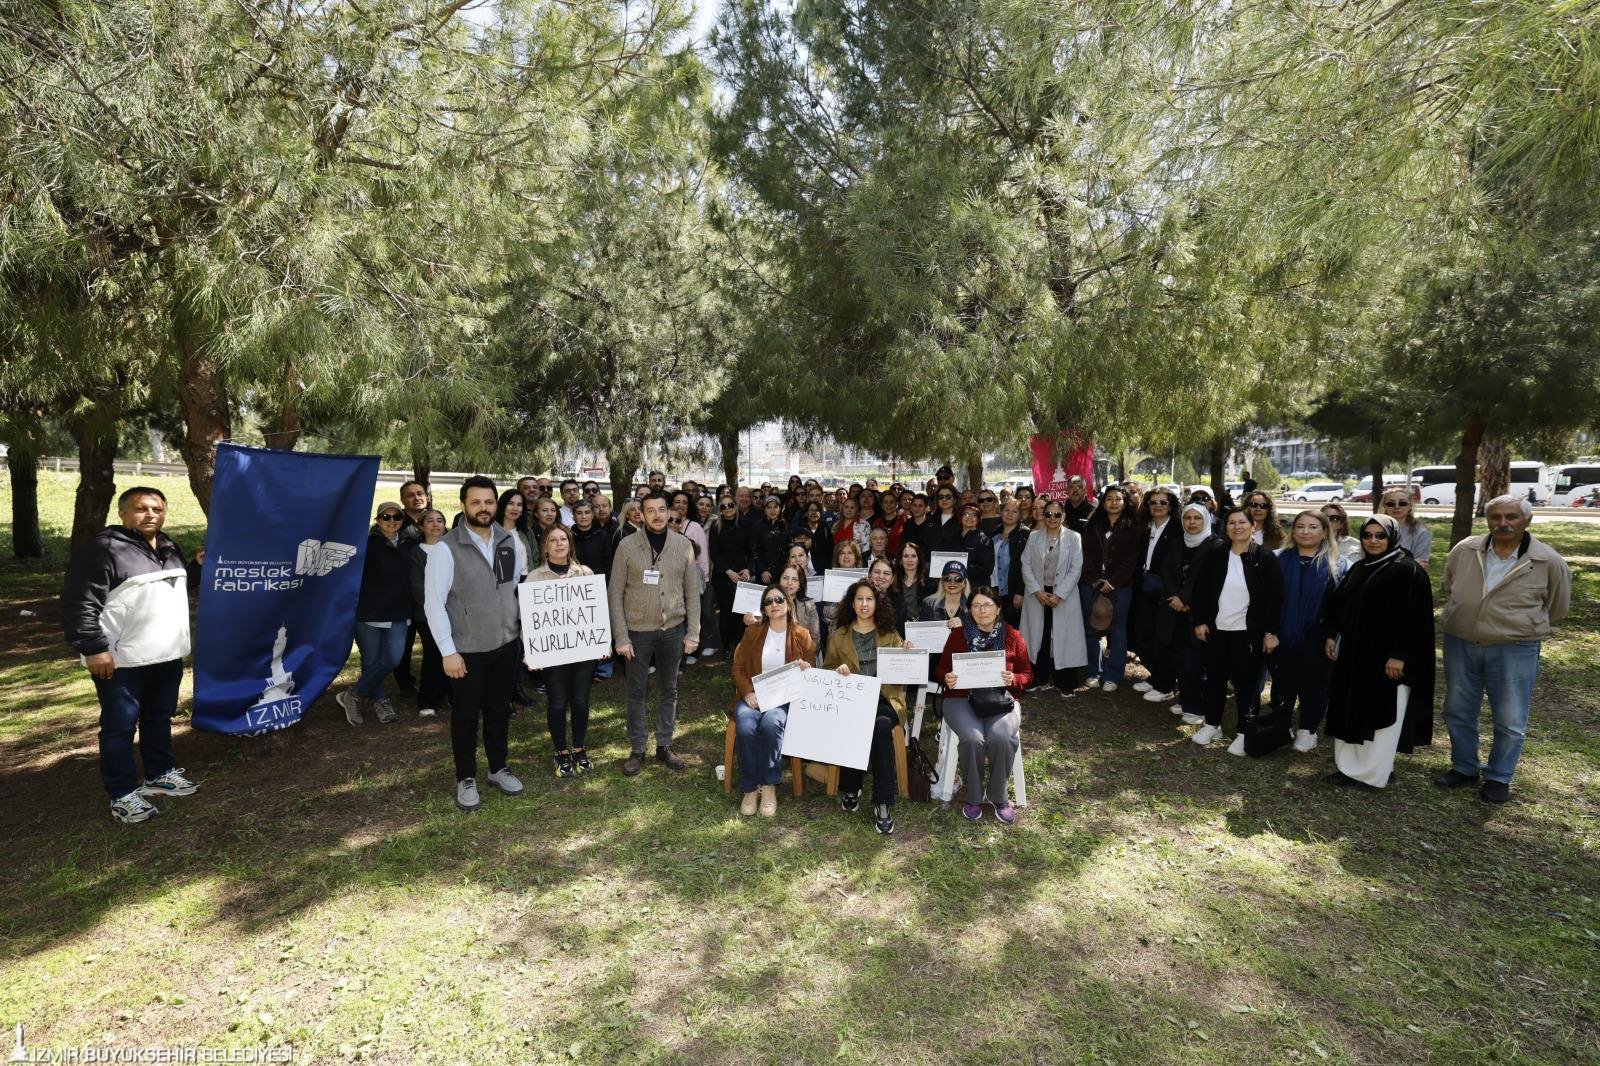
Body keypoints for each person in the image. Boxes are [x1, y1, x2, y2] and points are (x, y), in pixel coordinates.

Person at [62, 486, 201, 824]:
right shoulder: (104, 548)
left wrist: (195, 569)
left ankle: (159, 774)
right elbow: (80, 601)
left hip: (166, 654)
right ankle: (122, 793)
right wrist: (94, 648)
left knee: (158, 717)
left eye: (157, 508)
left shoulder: (166, 545)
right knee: (118, 728)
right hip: (120, 660)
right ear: (123, 513)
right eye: (141, 508)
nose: (150, 514)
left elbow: (168, 589)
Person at [1435, 495, 1571, 803]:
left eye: (1511, 516)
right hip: (1461, 642)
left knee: (1510, 719)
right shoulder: (1465, 549)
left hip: (1514, 648)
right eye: (1495, 517)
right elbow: (1451, 584)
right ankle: (1464, 766)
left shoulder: (1547, 560)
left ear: (1527, 520)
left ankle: (1498, 777)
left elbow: (1558, 607)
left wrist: (1516, 624)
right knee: (1457, 709)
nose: (1503, 523)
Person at [424, 476, 529, 811]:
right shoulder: (445, 549)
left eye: (489, 501)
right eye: (476, 502)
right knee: (466, 716)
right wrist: (448, 652)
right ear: (463, 505)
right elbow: (433, 604)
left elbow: (511, 587)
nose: (483, 508)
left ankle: (498, 768)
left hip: (505, 644)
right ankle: (466, 777)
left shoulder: (507, 540)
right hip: (467, 651)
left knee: (499, 710)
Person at [1322, 514, 1435, 788]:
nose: (1373, 541)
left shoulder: (1408, 570)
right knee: (1351, 710)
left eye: (1380, 535)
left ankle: (1374, 773)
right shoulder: (1360, 567)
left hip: (1387, 661)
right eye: (1367, 535)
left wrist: (1400, 655)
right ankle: (1349, 769)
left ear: (1392, 537)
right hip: (1355, 656)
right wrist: (1332, 635)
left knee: (1381, 716)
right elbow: (1340, 605)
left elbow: (1416, 620)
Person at [609, 490, 702, 774]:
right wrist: (621, 636)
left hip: (673, 630)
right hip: (637, 633)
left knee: (669, 689)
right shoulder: (626, 546)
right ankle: (638, 748)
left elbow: (692, 592)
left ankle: (664, 744)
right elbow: (615, 593)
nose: (657, 515)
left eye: (662, 509)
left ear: (669, 511)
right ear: (641, 514)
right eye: (650, 510)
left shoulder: (683, 545)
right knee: (636, 691)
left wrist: (693, 632)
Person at [1188, 507, 1283, 752]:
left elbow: (1275, 599)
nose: (1237, 527)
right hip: (1217, 631)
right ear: (1226, 527)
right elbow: (1200, 591)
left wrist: (1271, 632)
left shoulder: (1266, 558)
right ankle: (1212, 724)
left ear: (1253, 526)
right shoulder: (1215, 555)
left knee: (1247, 685)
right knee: (1214, 680)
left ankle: (1244, 731)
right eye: (1232, 523)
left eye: (1242, 522)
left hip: (1248, 633)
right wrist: (1200, 621)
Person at [938, 587, 1032, 824]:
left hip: (1000, 699)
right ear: (970, 610)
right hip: (960, 697)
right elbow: (941, 668)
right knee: (973, 738)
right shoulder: (959, 635)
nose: (982, 610)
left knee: (1002, 736)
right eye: (977, 606)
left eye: (988, 605)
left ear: (998, 608)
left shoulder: (1013, 636)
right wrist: (947, 677)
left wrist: (1014, 679)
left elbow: (1027, 674)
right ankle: (974, 796)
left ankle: (998, 795)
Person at [825, 580, 910, 835]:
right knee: (855, 721)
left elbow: (904, 671)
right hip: (852, 699)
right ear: (852, 604)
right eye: (859, 599)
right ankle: (852, 786)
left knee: (880, 726)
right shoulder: (838, 637)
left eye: (869, 599)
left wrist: (908, 654)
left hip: (885, 699)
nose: (864, 604)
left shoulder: (890, 634)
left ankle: (883, 802)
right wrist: (837, 671)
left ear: (877, 603)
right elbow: (827, 669)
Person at [525, 524, 608, 778]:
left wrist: (602, 642)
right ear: (544, 546)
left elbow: (596, 612)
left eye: (563, 539)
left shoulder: (585, 573)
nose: (559, 544)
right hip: (552, 653)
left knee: (581, 701)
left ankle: (579, 748)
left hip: (583, 650)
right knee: (558, 702)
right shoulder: (534, 578)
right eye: (553, 540)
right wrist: (531, 651)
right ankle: (561, 751)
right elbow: (527, 619)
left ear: (570, 544)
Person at [730, 583, 816, 816]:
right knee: (746, 726)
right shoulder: (753, 632)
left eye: (779, 599)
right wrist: (747, 692)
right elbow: (737, 667)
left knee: (771, 723)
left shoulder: (802, 635)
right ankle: (750, 788)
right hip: (753, 696)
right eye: (768, 602)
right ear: (764, 609)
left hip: (784, 699)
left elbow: (811, 672)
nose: (774, 604)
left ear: (788, 604)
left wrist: (806, 668)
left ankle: (768, 786)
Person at [337, 503, 415, 726]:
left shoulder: (410, 544)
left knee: (392, 659)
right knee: (371, 661)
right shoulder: (366, 544)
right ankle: (380, 701)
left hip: (399, 611)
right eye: (386, 517)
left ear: (402, 519)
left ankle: (353, 694)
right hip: (369, 611)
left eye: (396, 516)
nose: (391, 521)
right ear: (378, 520)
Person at [1269, 511, 1340, 752]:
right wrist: (1269, 632)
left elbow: (1339, 606)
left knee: (1314, 687)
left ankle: (1307, 730)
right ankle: (1281, 726)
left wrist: (1332, 635)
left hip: (1317, 638)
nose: (1305, 531)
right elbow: (1267, 600)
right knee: (1283, 684)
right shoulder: (1277, 559)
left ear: (1324, 532)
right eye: (1300, 526)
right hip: (1281, 635)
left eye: (1313, 527)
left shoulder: (1338, 564)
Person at [1155, 504, 1223, 721]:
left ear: (1206, 520)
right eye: (1188, 518)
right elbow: (1166, 572)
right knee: (1179, 658)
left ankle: (1196, 708)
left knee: (1194, 661)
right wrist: (1174, 597)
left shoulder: (1216, 546)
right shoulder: (1176, 543)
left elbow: (1206, 580)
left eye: (1197, 518)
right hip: (1174, 610)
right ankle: (1186, 700)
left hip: (1199, 613)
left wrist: (1185, 599)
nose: (1192, 522)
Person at [1079, 484, 1141, 691]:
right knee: (1092, 629)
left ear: (1125, 502)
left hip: (1121, 586)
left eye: (1118, 499)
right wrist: (1094, 580)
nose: (1114, 502)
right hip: (1091, 584)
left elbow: (1132, 559)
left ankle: (1113, 675)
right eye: (1109, 499)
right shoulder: (1093, 524)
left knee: (1118, 631)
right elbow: (1085, 555)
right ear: (1103, 503)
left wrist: (1113, 582)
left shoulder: (1134, 526)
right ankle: (1093, 671)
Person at [1130, 488, 1182, 702]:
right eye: (1153, 502)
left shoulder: (1178, 528)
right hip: (1144, 587)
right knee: (1142, 636)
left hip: (1166, 591)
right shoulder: (1145, 526)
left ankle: (1166, 684)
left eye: (1163, 502)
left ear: (1171, 506)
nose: (1158, 506)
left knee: (1163, 640)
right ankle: (1157, 675)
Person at [407, 509, 450, 717]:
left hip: (454, 612)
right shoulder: (416, 553)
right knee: (434, 655)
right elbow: (417, 586)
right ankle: (428, 700)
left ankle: (450, 695)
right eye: (430, 521)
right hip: (427, 615)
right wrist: (437, 607)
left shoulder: (450, 548)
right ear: (421, 526)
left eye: (439, 520)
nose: (435, 524)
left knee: (453, 654)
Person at [709, 497, 756, 658]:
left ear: (735, 506)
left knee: (742, 613)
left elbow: (752, 550)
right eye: (723, 506)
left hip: (742, 575)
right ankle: (727, 646)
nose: (727, 508)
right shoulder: (716, 526)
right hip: (723, 576)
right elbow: (714, 553)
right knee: (726, 612)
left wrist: (749, 569)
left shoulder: (746, 524)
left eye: (730, 505)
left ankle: (740, 645)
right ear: (720, 510)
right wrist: (727, 571)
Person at [991, 498, 1030, 625]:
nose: (1009, 514)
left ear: (1020, 515)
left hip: (1013, 591)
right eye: (1006, 510)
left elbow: (1026, 566)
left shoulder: (1025, 535)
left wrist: (1020, 591)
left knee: (1012, 628)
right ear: (1001, 512)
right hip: (994, 589)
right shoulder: (993, 534)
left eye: (1014, 511)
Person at [949, 503, 996, 595]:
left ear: (978, 519)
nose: (969, 517)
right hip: (954, 587)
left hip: (976, 589)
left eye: (974, 515)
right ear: (961, 517)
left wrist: (962, 564)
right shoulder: (953, 538)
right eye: (966, 514)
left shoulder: (984, 540)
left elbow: (987, 570)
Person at [1379, 487, 1432, 569]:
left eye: (1402, 503)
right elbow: (1367, 563)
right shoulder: (1373, 529)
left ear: (1410, 506)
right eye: (1391, 504)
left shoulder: (1421, 531)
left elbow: (1421, 566)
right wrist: (1410, 564)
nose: (1396, 507)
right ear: (1384, 506)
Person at [751, 495, 791, 583]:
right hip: (764, 574)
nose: (772, 510)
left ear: (780, 509)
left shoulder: (785, 525)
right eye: (769, 507)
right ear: (765, 510)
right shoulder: (758, 526)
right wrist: (762, 570)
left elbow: (788, 547)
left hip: (782, 572)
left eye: (775, 507)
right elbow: (754, 551)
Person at [922, 560, 971, 629]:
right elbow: (921, 631)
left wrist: (963, 627)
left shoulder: (972, 606)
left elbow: (979, 632)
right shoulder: (929, 604)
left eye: (958, 579)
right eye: (948, 578)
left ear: (964, 583)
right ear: (942, 582)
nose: (952, 583)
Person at [495, 489, 535, 571]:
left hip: (527, 577)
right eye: (510, 503)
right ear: (503, 505)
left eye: (519, 505)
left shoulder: (527, 531)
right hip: (502, 578)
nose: (515, 508)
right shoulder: (492, 530)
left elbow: (535, 558)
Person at [1320, 502, 1361, 579]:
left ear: (1341, 524)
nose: (1328, 521)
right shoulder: (1311, 543)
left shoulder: (1353, 546)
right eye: (1323, 517)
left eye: (1334, 518)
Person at [901, 492, 938, 557]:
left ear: (926, 507)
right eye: (914, 505)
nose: (917, 509)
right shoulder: (907, 524)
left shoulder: (933, 525)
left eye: (920, 506)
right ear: (911, 507)